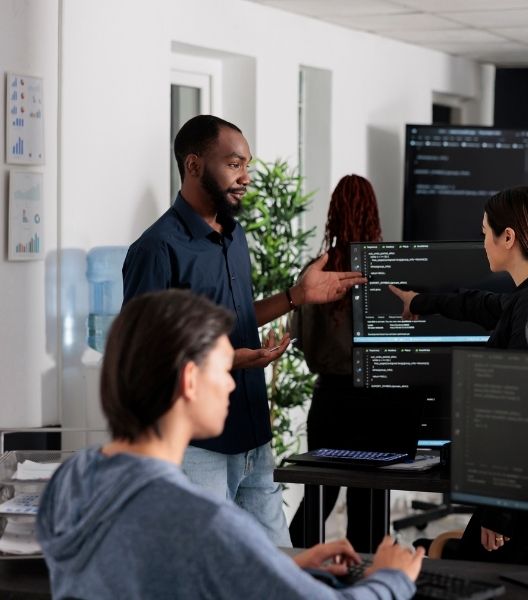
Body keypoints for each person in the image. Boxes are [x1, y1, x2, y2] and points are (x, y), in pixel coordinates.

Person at [36, 289, 424, 600]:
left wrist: (279, 569)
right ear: (190, 380)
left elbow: (159, 578)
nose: (230, 384)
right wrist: (391, 578)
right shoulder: (203, 520)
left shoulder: (72, 478)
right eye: (224, 369)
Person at [122, 115, 365, 547]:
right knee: (208, 567)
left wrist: (296, 296)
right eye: (234, 164)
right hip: (199, 447)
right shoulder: (156, 248)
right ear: (194, 165)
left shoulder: (235, 237)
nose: (246, 177)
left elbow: (232, 320)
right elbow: (143, 356)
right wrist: (227, 360)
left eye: (247, 165)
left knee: (277, 563)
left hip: (252, 435)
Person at [389, 186, 528, 566]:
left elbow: (522, 416)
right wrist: (421, 302)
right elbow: (481, 304)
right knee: (519, 580)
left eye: (484, 233)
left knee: (473, 575)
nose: (483, 244)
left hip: (520, 493)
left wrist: (498, 512)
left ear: (508, 237)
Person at [288, 174, 385, 549]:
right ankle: (365, 577)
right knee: (368, 504)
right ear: (372, 213)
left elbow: (300, 340)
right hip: (377, 400)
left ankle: (290, 569)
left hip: (328, 399)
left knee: (318, 497)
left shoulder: (314, 273)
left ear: (333, 214)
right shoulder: (385, 270)